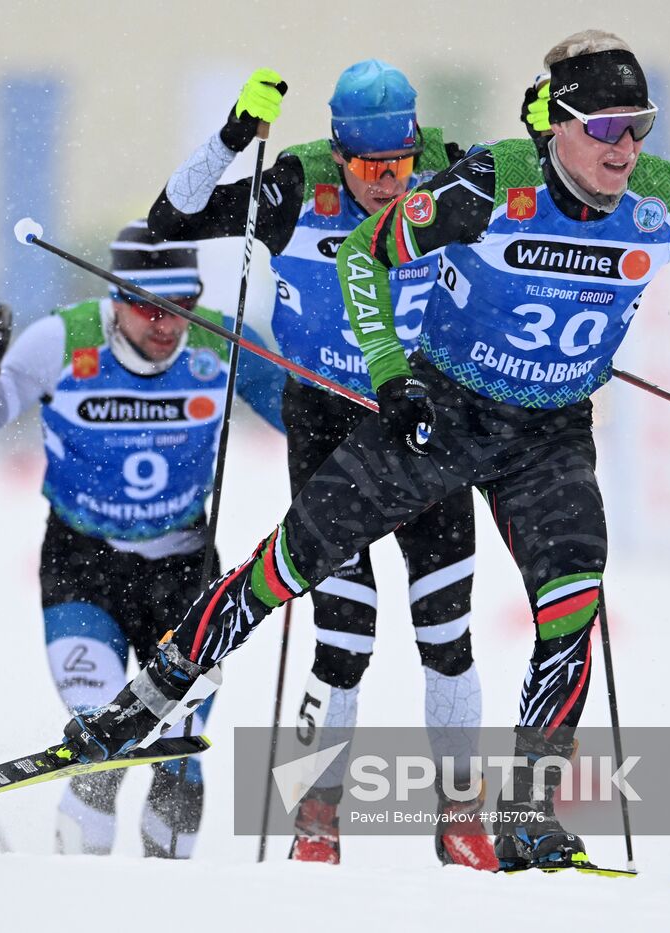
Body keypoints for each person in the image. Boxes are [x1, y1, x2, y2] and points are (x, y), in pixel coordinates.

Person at [63, 30, 670, 872]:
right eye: (609, 129)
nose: (628, 148)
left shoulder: (660, 195)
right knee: (298, 572)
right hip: (441, 408)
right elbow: (361, 254)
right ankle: (153, 699)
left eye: (639, 127)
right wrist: (394, 376)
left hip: (550, 433)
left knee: (565, 602)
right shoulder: (489, 182)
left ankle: (525, 813)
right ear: (566, 129)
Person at [149, 60, 491, 867]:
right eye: (369, 167)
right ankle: (317, 814)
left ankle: (462, 816)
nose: (387, 183)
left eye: (399, 164)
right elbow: (171, 220)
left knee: (448, 631)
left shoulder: (449, 168)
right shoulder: (294, 185)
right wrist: (235, 136)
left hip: (423, 417)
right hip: (329, 424)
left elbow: (545, 210)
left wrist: (546, 140)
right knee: (343, 633)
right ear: (339, 154)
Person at [0, 221, 284, 859]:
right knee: (99, 745)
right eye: (148, 307)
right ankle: (80, 901)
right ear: (115, 299)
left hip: (185, 575)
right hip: (83, 566)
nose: (167, 325)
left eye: (182, 305)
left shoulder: (220, 345)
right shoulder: (62, 340)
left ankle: (163, 901)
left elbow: (310, 418)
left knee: (180, 758)